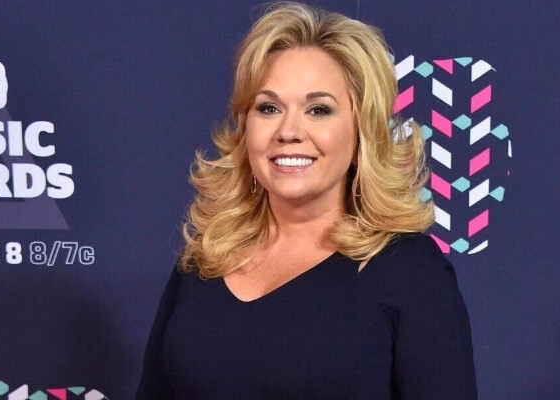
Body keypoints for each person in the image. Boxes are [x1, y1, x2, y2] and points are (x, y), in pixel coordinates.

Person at [136, 2, 477, 399]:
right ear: (245, 128)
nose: (288, 131)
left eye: (318, 110)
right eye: (268, 108)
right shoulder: (205, 260)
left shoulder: (410, 271)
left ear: (361, 133)